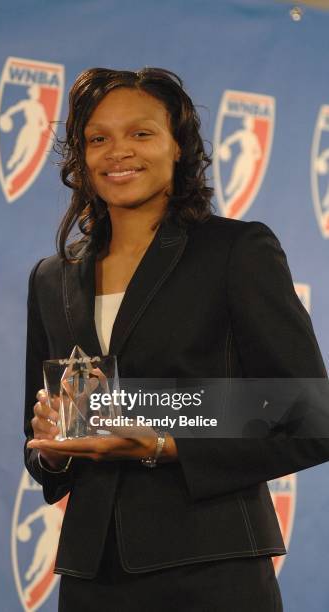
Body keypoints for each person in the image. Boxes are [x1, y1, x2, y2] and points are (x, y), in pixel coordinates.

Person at [24, 67, 329, 611]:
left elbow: (310, 417)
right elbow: (45, 447)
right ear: (80, 157)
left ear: (179, 147)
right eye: (98, 138)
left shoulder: (237, 251)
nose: (118, 152)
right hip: (91, 577)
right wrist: (51, 447)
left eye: (141, 133)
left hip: (213, 570)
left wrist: (164, 444)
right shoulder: (52, 276)